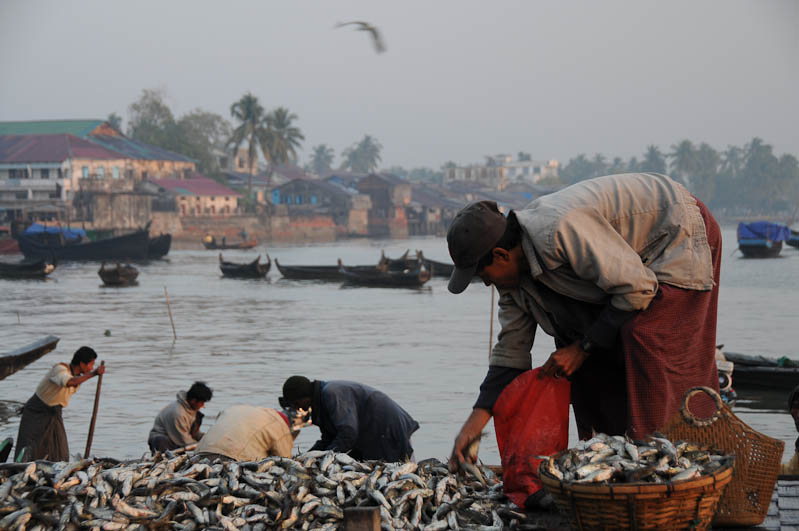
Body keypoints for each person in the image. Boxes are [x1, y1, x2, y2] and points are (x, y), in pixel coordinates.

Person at [446, 173, 722, 503]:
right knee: (577, 363)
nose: (488, 284)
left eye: (483, 275)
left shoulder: (558, 230)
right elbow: (511, 354)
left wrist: (583, 347)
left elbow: (638, 288)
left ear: (502, 255)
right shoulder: (514, 288)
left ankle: (666, 483)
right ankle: (615, 475)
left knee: (643, 337)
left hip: (677, 234)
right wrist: (473, 427)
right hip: (632, 274)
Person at [281, 376, 419, 461]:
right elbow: (328, 439)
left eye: (296, 404)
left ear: (304, 397)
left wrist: (326, 458)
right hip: (371, 432)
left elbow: (348, 433)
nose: (297, 408)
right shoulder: (321, 402)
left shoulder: (331, 393)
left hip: (387, 428)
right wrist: (306, 458)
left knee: (397, 470)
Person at [15, 346, 106, 462]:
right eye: (91, 364)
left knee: (59, 449)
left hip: (54, 413)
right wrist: (94, 373)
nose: (92, 367)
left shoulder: (77, 378)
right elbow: (69, 382)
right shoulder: (60, 370)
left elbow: (74, 381)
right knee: (30, 447)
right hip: (36, 412)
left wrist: (92, 374)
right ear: (82, 364)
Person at [195, 404, 295, 461]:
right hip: (230, 458)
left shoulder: (237, 409)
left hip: (199, 453)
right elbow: (284, 459)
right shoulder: (280, 425)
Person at [148, 381, 213, 453]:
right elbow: (184, 439)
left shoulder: (193, 410)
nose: (202, 406)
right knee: (161, 441)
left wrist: (207, 439)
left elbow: (195, 434)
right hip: (164, 441)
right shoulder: (178, 413)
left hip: (179, 438)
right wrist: (202, 447)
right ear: (193, 401)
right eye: (202, 402)